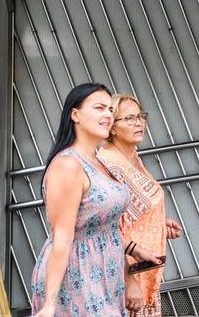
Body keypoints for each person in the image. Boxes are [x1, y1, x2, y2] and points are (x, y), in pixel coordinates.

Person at [30, 83, 160, 317]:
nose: (108, 115)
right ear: (75, 115)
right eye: (99, 108)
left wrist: (132, 250)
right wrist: (49, 303)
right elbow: (62, 237)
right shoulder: (68, 165)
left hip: (107, 274)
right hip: (78, 274)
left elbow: (102, 224)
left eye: (110, 109)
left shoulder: (96, 161)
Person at [97, 94, 183, 317]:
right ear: (112, 127)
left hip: (146, 271)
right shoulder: (109, 164)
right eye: (129, 118)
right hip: (126, 276)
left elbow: (131, 214)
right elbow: (108, 229)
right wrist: (129, 280)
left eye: (140, 116)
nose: (138, 122)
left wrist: (159, 224)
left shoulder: (132, 156)